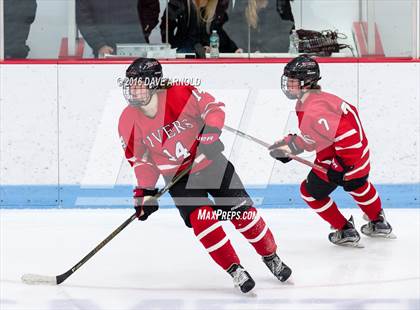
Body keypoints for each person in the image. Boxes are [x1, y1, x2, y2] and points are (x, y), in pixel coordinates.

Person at [118, 58, 291, 293]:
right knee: (204, 221)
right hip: (180, 179)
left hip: (211, 164)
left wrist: (210, 132)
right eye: (131, 84)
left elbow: (213, 107)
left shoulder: (180, 93)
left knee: (244, 216)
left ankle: (270, 256)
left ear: (155, 84)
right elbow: (141, 160)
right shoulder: (127, 120)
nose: (133, 89)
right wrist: (145, 191)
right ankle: (235, 269)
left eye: (139, 83)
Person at [269, 55, 394, 247]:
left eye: (293, 81)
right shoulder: (312, 101)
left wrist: (341, 166)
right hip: (358, 157)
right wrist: (289, 147)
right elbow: (314, 138)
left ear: (307, 81)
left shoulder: (315, 108)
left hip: (346, 159)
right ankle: (379, 222)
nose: (288, 85)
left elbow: (348, 138)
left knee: (309, 192)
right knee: (358, 185)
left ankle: (344, 229)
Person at [76, 0, 160, 57]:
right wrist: (99, 45)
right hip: (107, 49)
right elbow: (83, 19)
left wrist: (143, 30)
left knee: (139, 80)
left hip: (137, 45)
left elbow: (152, 6)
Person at [160, 0, 240, 53]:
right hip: (183, 51)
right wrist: (172, 48)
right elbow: (166, 27)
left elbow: (218, 31)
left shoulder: (214, 6)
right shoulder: (180, 3)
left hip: (206, 54)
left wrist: (233, 49)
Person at [223, 0, 295, 53]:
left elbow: (288, 32)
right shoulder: (242, 2)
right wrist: (237, 48)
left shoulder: (280, 2)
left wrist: (262, 51)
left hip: (272, 55)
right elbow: (235, 29)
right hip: (246, 55)